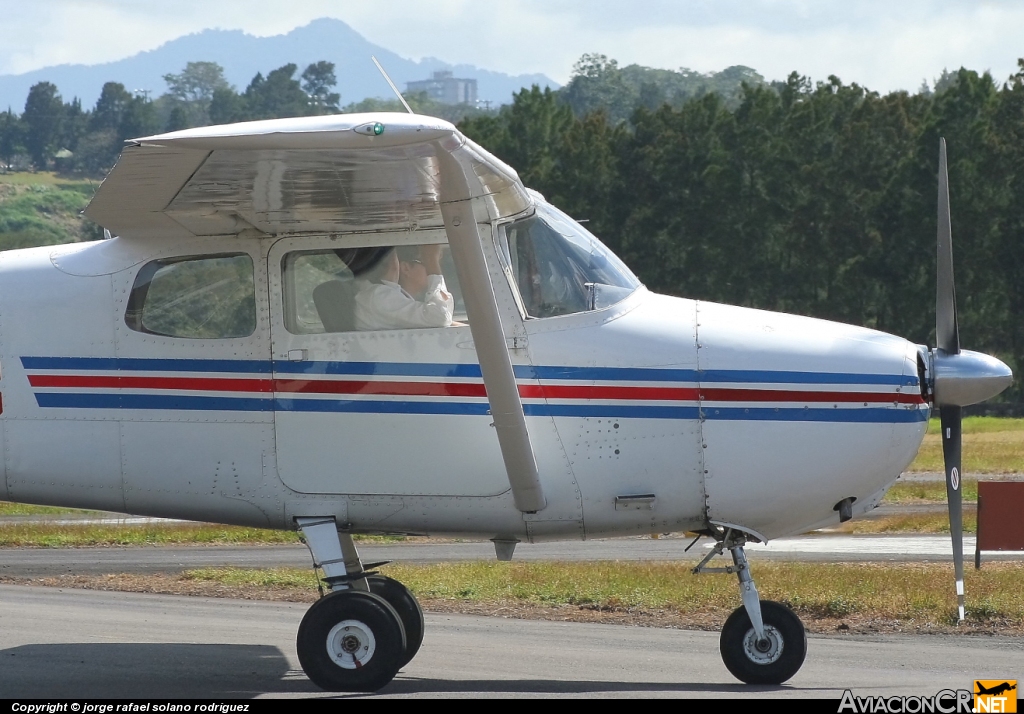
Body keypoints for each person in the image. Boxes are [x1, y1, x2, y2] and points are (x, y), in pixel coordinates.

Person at [353, 244, 454, 330]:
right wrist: (431, 259)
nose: (434, 269)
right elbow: (440, 318)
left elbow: (441, 318)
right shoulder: (377, 296)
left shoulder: (388, 298)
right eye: (425, 263)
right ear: (406, 268)